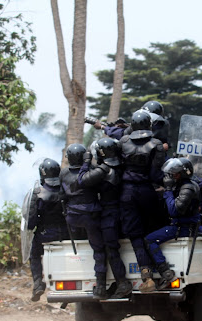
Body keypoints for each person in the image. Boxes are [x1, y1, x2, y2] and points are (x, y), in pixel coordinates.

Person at [78, 137, 133, 299]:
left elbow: (82, 181)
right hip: (121, 211)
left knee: (110, 249)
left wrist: (86, 162)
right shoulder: (123, 166)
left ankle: (122, 283)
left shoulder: (103, 170)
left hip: (109, 214)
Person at [118, 109, 166, 291]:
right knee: (152, 230)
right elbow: (156, 174)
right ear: (149, 125)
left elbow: (118, 168)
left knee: (135, 235)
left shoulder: (123, 143)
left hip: (126, 193)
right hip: (147, 191)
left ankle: (146, 275)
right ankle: (163, 269)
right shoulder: (156, 144)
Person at [60, 143, 109, 299]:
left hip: (72, 218)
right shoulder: (92, 171)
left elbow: (61, 197)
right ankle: (101, 285)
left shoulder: (63, 174)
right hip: (91, 217)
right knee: (99, 250)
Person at [143, 157, 201, 292]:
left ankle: (166, 272)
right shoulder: (182, 186)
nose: (171, 177)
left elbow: (174, 210)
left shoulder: (188, 188)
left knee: (149, 240)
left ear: (182, 173)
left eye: (174, 174)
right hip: (181, 226)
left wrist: (168, 190)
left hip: (184, 228)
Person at [27, 158, 69, 302]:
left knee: (34, 254)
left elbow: (31, 221)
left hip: (45, 235)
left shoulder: (38, 193)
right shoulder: (67, 189)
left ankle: (38, 283)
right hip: (67, 234)